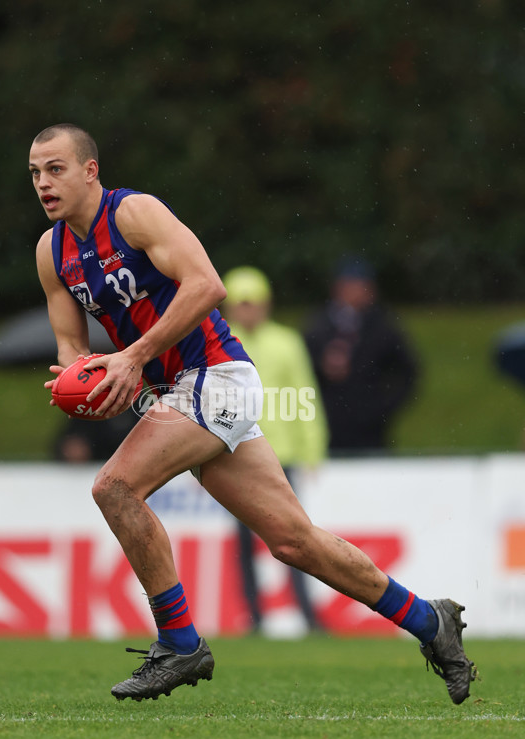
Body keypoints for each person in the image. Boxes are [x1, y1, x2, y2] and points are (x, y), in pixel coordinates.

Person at [29, 123, 476, 705]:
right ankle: (429, 621)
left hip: (216, 377)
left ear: (90, 170)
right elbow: (70, 347)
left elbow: (207, 286)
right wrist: (80, 380)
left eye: (56, 168)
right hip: (176, 390)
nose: (43, 182)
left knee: (114, 487)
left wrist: (132, 357)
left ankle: (180, 642)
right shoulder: (51, 251)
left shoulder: (133, 214)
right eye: (36, 173)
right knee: (296, 543)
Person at [221, 265, 327, 634]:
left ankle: (308, 616)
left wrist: (312, 450)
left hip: (282, 458)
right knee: (245, 545)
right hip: (234, 455)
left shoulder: (286, 342)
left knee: (298, 539)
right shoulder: (218, 342)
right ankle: (254, 617)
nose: (250, 310)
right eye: (243, 304)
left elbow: (305, 395)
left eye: (255, 303)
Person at [304, 256, 419, 455]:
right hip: (327, 426)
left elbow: (407, 372)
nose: (356, 293)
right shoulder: (318, 326)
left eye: (362, 286)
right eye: (351, 286)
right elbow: (300, 371)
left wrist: (381, 408)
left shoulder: (384, 327)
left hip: (371, 431)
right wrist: (322, 368)